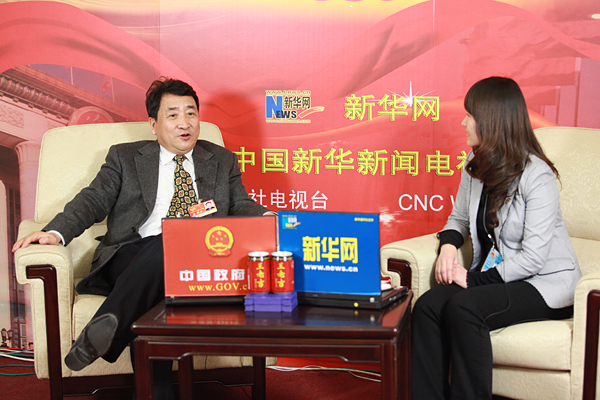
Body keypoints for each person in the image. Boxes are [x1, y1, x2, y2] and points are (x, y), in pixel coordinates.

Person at [13, 77, 274, 399]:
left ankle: (111, 332)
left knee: (160, 285)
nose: (184, 123)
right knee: (168, 241)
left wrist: (266, 216)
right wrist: (55, 232)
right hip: (129, 254)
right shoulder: (125, 158)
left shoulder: (221, 160)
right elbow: (93, 200)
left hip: (197, 259)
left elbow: (240, 204)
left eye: (191, 113)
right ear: (153, 124)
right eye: (173, 115)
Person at [411, 76, 581, 400]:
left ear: (491, 120)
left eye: (470, 115)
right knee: (428, 306)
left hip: (543, 283)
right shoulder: (474, 164)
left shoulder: (537, 175)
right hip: (496, 277)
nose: (463, 123)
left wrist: (472, 280)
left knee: (464, 307)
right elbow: (459, 218)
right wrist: (448, 247)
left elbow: (534, 258)